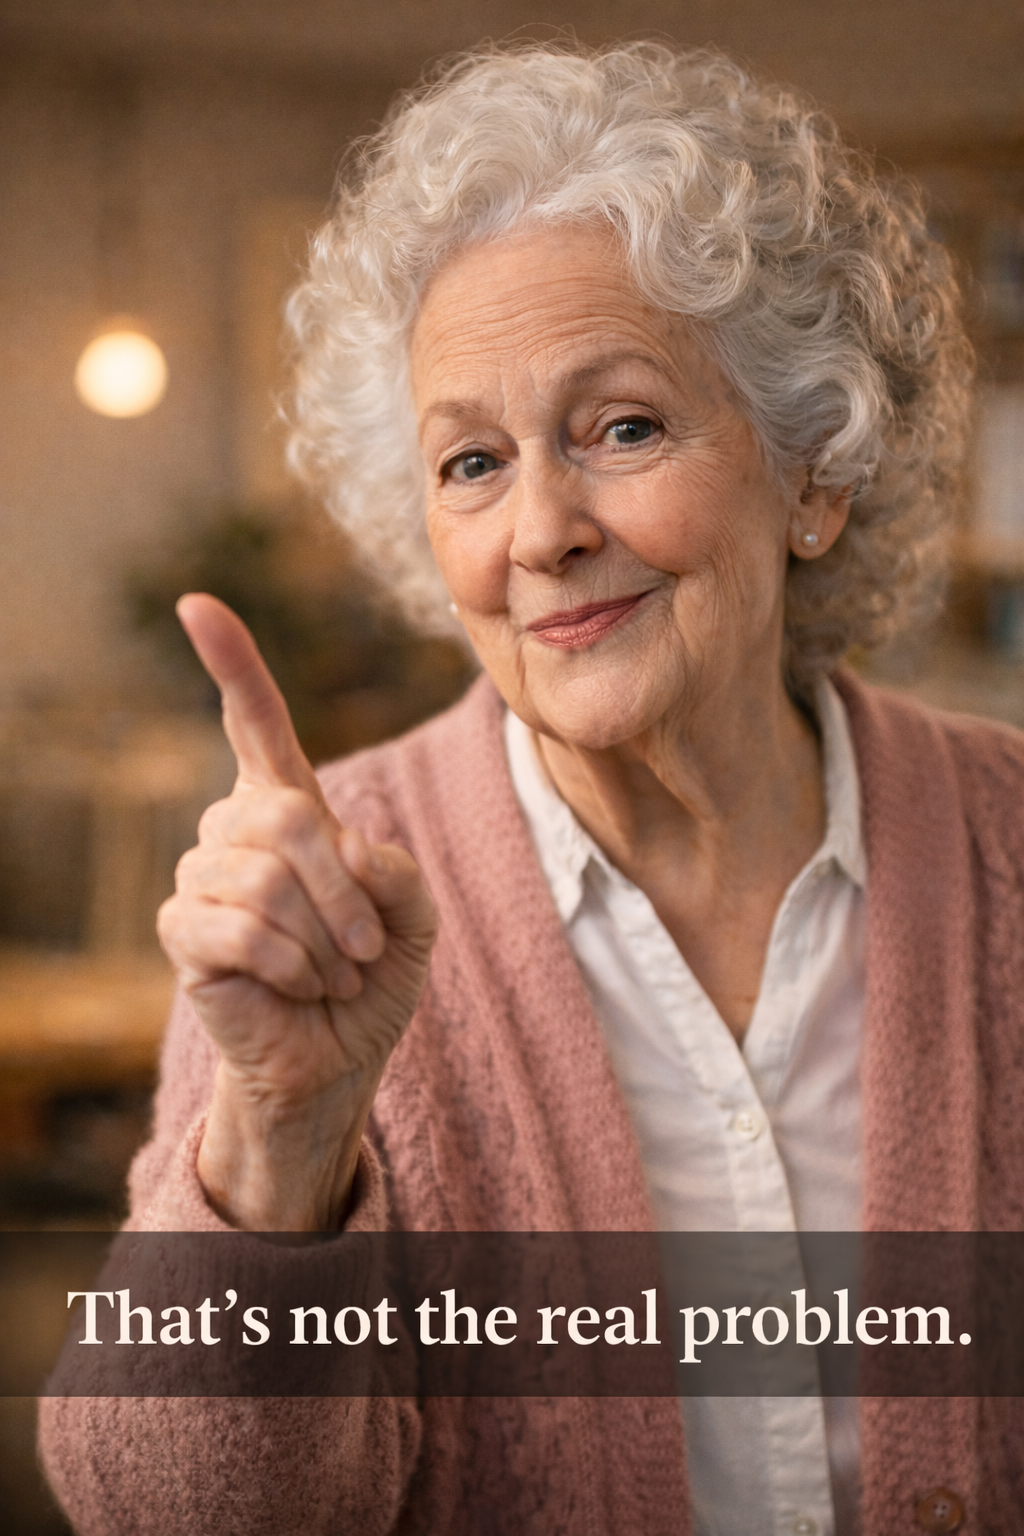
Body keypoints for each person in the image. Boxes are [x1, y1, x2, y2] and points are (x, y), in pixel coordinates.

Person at [40, 42, 1024, 1536]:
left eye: (623, 427)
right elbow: (164, 1516)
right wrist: (281, 1138)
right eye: (472, 464)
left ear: (813, 470)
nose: (542, 530)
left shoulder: (1006, 842)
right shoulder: (318, 898)